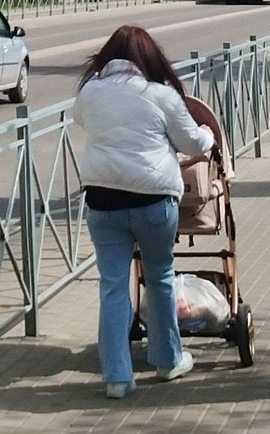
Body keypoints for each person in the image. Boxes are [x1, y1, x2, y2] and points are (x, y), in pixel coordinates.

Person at [73, 25, 214, 399]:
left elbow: (80, 119)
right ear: (149, 58)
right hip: (154, 201)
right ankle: (168, 360)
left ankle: (117, 377)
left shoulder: (90, 92)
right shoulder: (161, 95)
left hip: (102, 200)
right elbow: (193, 142)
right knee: (160, 276)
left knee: (113, 285)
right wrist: (210, 135)